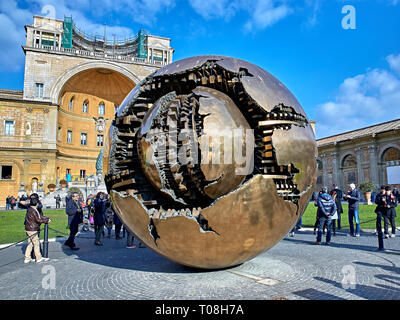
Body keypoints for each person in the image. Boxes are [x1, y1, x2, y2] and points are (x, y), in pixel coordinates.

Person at [24, 194, 51, 263]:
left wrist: (45, 218)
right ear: (36, 203)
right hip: (32, 229)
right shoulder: (34, 210)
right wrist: (46, 221)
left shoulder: (30, 209)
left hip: (28, 228)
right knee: (36, 243)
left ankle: (27, 258)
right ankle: (38, 258)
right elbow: (38, 219)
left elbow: (39, 217)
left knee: (30, 243)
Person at [374, 186, 387, 251]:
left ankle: (386, 232)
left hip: (385, 209)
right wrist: (381, 201)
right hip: (379, 209)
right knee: (378, 220)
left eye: (383, 189)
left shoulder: (386, 195)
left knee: (385, 221)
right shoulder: (378, 195)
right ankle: (378, 230)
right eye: (382, 189)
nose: (382, 190)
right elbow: (376, 201)